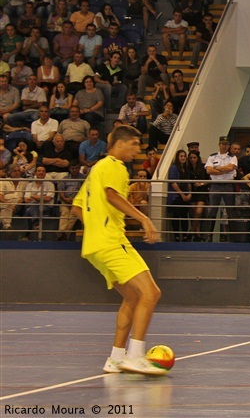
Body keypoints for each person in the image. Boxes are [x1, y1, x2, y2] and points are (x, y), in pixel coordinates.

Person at [71, 125, 166, 375]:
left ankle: (115, 357)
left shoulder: (95, 170)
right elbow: (112, 195)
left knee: (133, 297)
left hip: (94, 246)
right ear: (120, 143)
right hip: (112, 241)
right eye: (134, 144)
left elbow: (77, 207)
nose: (137, 149)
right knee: (151, 293)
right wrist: (144, 219)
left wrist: (95, 229)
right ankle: (135, 356)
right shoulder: (115, 166)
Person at [204, 136, 237, 240]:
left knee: (230, 211)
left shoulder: (233, 157)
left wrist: (217, 168)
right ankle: (209, 236)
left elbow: (231, 168)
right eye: (223, 144)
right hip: (215, 185)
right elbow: (208, 171)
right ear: (219, 144)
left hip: (228, 185)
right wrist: (224, 170)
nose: (224, 146)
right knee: (212, 211)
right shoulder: (212, 157)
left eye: (226, 144)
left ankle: (232, 237)